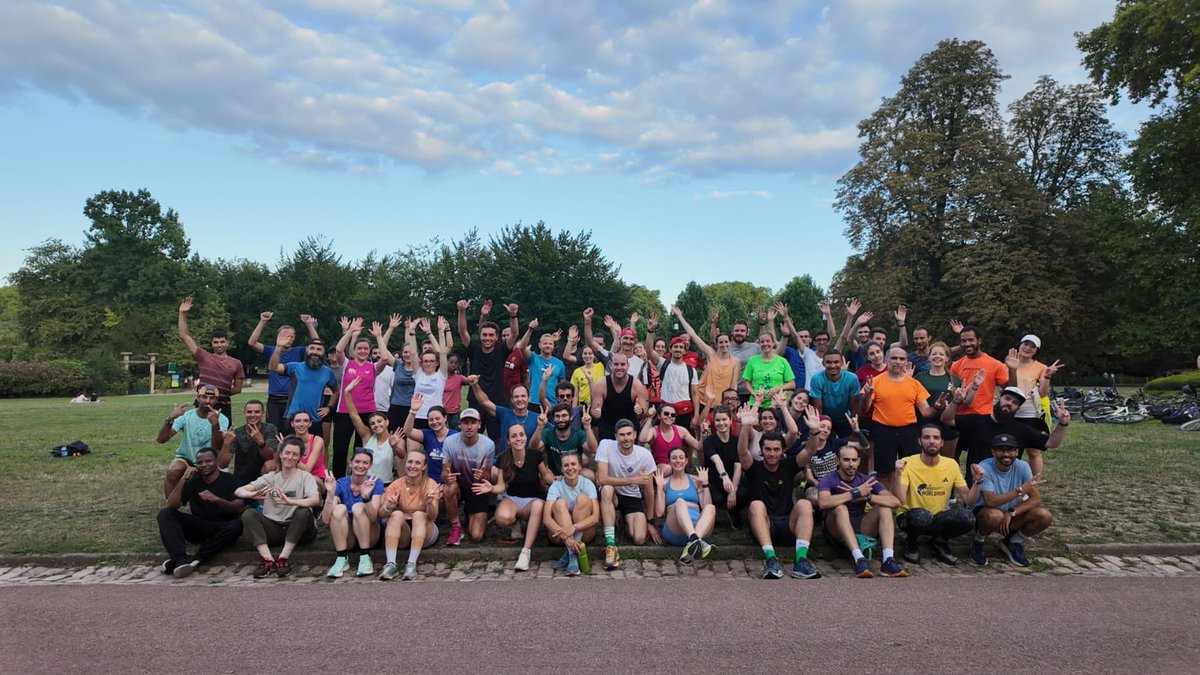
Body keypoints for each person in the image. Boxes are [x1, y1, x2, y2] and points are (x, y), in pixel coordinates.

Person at [736, 410, 821, 580]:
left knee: (805, 504)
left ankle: (801, 561)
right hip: (764, 526)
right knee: (756, 505)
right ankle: (771, 560)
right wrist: (746, 427)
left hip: (788, 524)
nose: (772, 453)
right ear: (760, 451)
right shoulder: (754, 468)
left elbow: (810, 450)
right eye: (767, 449)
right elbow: (742, 451)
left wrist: (814, 432)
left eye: (776, 450)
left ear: (782, 451)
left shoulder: (788, 465)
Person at [892, 424, 982, 565]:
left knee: (968, 518)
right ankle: (911, 542)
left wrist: (977, 482)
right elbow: (900, 500)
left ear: (942, 443)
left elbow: (969, 500)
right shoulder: (907, 462)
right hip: (909, 516)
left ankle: (939, 540)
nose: (931, 441)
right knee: (921, 516)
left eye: (936, 438)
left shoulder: (951, 464)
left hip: (938, 517)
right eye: (926, 437)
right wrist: (897, 475)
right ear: (919, 441)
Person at [941, 384, 1071, 481]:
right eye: (1007, 399)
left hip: (1009, 486)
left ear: (1018, 408)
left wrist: (1063, 423)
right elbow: (947, 419)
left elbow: (1051, 442)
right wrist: (956, 401)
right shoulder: (976, 421)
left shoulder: (1021, 429)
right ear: (999, 399)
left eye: (1015, 403)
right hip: (978, 485)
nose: (1009, 404)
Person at [236, 437, 321, 578]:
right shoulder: (270, 477)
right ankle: (267, 560)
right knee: (248, 514)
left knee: (303, 511)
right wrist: (252, 494)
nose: (290, 457)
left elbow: (315, 500)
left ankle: (283, 559)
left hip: (301, 530)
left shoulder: (306, 477)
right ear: (280, 454)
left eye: (295, 454)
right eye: (287, 453)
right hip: (274, 528)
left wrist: (292, 502)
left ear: (300, 457)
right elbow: (238, 491)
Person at [817, 444, 906, 578]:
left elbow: (895, 501)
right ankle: (859, 559)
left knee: (884, 508)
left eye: (854, 460)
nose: (851, 464)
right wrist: (855, 493)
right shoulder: (828, 479)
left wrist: (869, 496)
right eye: (846, 460)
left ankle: (888, 559)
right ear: (837, 461)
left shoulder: (865, 480)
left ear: (859, 461)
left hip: (861, 524)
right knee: (840, 508)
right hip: (836, 528)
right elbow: (823, 503)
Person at [157, 447, 244, 577]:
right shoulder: (193, 481)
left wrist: (217, 499)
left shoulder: (230, 480)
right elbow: (172, 505)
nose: (204, 465)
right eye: (200, 462)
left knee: (236, 525)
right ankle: (179, 558)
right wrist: (183, 480)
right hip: (200, 526)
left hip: (222, 527)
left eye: (208, 461)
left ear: (216, 461)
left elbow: (238, 507)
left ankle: (196, 559)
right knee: (165, 514)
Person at [857, 347, 943, 481]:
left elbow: (926, 412)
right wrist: (867, 394)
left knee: (911, 470)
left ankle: (908, 500)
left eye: (901, 359)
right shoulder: (875, 382)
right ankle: (885, 500)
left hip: (908, 431)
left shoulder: (914, 383)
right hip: (883, 430)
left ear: (906, 362)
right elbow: (863, 409)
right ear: (887, 360)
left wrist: (937, 407)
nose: (898, 362)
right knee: (884, 472)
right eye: (894, 358)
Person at [971, 434, 1053, 567]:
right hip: (985, 514)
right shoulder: (984, 467)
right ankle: (978, 540)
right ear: (993, 451)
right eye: (1001, 450)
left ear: (1016, 452)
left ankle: (1012, 542)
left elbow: (1036, 499)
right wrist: (1020, 490)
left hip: (1009, 514)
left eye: (1010, 450)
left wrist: (1011, 512)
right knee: (994, 515)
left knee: (1044, 515)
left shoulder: (1023, 466)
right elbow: (990, 501)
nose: (1006, 454)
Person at [595, 419, 658, 570]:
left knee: (639, 538)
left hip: (632, 496)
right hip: (612, 493)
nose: (626, 438)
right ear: (616, 436)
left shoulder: (644, 455)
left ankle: (623, 520)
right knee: (607, 489)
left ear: (635, 435)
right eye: (622, 435)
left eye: (629, 434)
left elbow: (649, 490)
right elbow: (601, 479)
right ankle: (610, 546)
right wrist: (632, 480)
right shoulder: (605, 445)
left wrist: (650, 521)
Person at [330, 317, 388, 478]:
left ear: (369, 351)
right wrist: (350, 331)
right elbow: (339, 350)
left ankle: (359, 479)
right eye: (359, 348)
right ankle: (339, 481)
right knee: (340, 449)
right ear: (354, 350)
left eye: (365, 349)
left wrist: (378, 336)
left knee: (362, 450)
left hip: (366, 414)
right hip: (344, 412)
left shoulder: (373, 367)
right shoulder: (346, 364)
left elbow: (384, 358)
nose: (362, 351)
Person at [401, 396, 463, 544]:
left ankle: (456, 526)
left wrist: (444, 484)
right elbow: (408, 431)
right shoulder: (427, 435)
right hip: (430, 484)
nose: (434, 422)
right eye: (431, 420)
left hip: (451, 483)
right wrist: (413, 411)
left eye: (438, 419)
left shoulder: (456, 436)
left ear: (445, 418)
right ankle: (423, 529)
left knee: (448, 489)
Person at [247, 311, 320, 432]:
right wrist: (262, 321)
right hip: (274, 399)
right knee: (273, 431)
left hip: (293, 399)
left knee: (292, 431)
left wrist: (309, 324)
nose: (288, 338)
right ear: (278, 336)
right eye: (285, 335)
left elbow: (317, 344)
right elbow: (252, 343)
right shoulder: (271, 350)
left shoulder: (299, 351)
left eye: (291, 336)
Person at [496, 424, 555, 571]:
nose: (518, 439)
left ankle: (525, 551)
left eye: (521, 435)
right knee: (502, 518)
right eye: (514, 436)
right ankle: (515, 523)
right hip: (513, 499)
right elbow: (501, 486)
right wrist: (490, 488)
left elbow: (545, 473)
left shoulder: (535, 455)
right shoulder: (503, 458)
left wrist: (553, 480)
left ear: (525, 437)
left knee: (538, 506)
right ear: (508, 440)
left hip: (533, 500)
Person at [458, 299, 519, 439]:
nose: (487, 338)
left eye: (491, 335)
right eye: (484, 335)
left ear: (496, 337)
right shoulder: (473, 349)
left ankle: (496, 462)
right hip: (475, 400)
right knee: (472, 437)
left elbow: (514, 334)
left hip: (497, 401)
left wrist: (513, 315)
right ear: (480, 336)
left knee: (497, 439)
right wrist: (462, 311)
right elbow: (462, 331)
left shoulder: (502, 350)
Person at [378, 451, 443, 580]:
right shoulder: (396, 485)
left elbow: (433, 515)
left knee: (419, 514)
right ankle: (391, 564)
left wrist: (430, 503)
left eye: (417, 463)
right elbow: (381, 514)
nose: (412, 466)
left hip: (426, 528)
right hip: (405, 532)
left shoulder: (431, 485)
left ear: (424, 467)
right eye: (410, 462)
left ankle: (411, 564)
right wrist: (388, 507)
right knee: (396, 514)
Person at [177, 296, 244, 422]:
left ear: (227, 343)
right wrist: (182, 313)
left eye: (222, 342)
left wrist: (217, 393)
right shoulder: (203, 356)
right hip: (201, 405)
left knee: (223, 438)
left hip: (223, 406)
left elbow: (238, 388)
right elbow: (184, 336)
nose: (219, 345)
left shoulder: (236, 363)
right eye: (216, 342)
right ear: (212, 344)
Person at [320, 448, 383, 578]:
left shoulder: (375, 482)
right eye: (357, 461)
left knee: (358, 507)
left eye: (365, 463)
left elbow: (373, 517)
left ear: (370, 465)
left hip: (370, 533)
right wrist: (330, 495)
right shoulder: (341, 483)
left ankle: (365, 557)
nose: (360, 465)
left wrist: (365, 497)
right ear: (350, 463)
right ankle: (341, 559)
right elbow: (326, 520)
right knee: (338, 509)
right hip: (348, 537)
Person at [157, 384, 228, 499]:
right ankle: (170, 506)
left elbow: (217, 445)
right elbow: (161, 440)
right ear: (197, 398)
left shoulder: (222, 419)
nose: (207, 401)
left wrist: (215, 425)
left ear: (216, 400)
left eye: (212, 398)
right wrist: (170, 419)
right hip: (187, 458)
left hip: (210, 460)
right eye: (204, 397)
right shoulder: (186, 416)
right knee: (173, 470)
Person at [441, 408, 501, 542]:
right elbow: (444, 472)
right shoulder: (449, 442)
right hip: (459, 486)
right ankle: (456, 526)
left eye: (473, 423)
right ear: (459, 424)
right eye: (465, 422)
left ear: (479, 425)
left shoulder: (488, 444)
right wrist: (447, 477)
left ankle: (478, 511)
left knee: (476, 536)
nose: (469, 426)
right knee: (449, 487)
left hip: (476, 487)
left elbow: (487, 475)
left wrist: (483, 476)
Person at [672, 304, 741, 417]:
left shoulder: (735, 361)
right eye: (721, 342)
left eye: (726, 342)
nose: (724, 345)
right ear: (717, 344)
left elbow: (734, 386)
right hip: (705, 401)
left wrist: (733, 404)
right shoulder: (711, 354)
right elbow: (693, 335)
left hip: (723, 404)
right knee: (702, 429)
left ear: (730, 343)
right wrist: (680, 316)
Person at [654, 448, 717, 564]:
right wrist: (658, 487)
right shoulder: (664, 482)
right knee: (679, 502)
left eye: (681, 458)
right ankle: (695, 540)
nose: (678, 461)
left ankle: (694, 542)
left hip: (700, 528)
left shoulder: (695, 480)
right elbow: (658, 512)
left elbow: (705, 505)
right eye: (674, 458)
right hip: (675, 529)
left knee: (711, 507)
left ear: (686, 460)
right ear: (669, 461)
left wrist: (705, 484)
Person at [543, 452, 599, 576]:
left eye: (573, 464)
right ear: (562, 469)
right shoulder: (556, 486)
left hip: (584, 533)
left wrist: (573, 528)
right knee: (559, 503)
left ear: (579, 467)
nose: (570, 468)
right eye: (566, 465)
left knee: (582, 499)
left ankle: (570, 555)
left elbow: (596, 517)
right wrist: (567, 538)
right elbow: (546, 519)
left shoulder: (587, 484)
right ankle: (572, 554)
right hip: (560, 535)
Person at [267, 333, 338, 429]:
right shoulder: (295, 367)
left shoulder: (328, 372)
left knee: (316, 444)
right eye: (312, 348)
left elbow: (336, 392)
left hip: (314, 420)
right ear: (307, 350)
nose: (315, 352)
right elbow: (273, 367)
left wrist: (328, 408)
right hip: (293, 418)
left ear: (323, 353)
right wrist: (279, 347)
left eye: (319, 349)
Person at [343, 377, 404, 486]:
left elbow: (402, 455)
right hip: (365, 482)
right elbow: (354, 416)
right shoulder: (367, 436)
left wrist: (394, 446)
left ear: (387, 422)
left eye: (379, 421)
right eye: (373, 423)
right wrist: (347, 393)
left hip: (385, 484)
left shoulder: (394, 438)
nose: (376, 425)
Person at [913, 341, 966, 461]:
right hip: (925, 423)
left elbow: (959, 402)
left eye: (941, 354)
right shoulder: (919, 378)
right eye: (934, 354)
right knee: (926, 460)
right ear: (929, 358)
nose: (937, 356)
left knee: (947, 461)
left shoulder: (954, 380)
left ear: (947, 358)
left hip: (948, 425)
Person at [949, 326, 1012, 418]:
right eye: (964, 341)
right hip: (960, 415)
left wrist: (1013, 370)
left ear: (979, 341)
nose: (967, 344)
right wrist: (953, 392)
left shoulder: (995, 364)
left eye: (971, 340)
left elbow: (1009, 389)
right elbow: (950, 386)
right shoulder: (955, 365)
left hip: (984, 415)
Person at [468, 376, 538, 455]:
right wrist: (475, 385)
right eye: (516, 396)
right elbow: (484, 402)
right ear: (512, 400)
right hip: (503, 462)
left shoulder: (537, 418)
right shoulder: (504, 413)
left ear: (529, 398)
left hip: (525, 463)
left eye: (523, 396)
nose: (519, 399)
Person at [371, 319, 418, 432]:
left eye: (409, 352)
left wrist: (411, 331)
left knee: (409, 436)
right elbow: (384, 347)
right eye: (405, 352)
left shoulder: (419, 368)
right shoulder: (397, 365)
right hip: (395, 406)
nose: (407, 354)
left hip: (412, 408)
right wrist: (390, 328)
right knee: (394, 436)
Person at [589, 352, 648, 441]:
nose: (619, 368)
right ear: (610, 365)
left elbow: (643, 415)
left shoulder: (637, 385)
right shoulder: (601, 384)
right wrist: (595, 413)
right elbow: (594, 413)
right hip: (607, 429)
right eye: (616, 364)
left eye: (622, 364)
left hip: (629, 430)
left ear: (628, 366)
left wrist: (640, 411)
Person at [1012, 335, 1064, 434]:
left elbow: (1042, 394)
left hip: (1030, 412)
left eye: (1032, 346)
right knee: (1011, 446)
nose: (1027, 348)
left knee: (1033, 448)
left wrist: (1047, 376)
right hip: (1009, 411)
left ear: (1036, 351)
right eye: (1025, 344)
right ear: (1019, 345)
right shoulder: (1007, 365)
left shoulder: (1041, 367)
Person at [219, 399, 279, 484]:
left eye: (257, 412)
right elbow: (222, 464)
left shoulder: (270, 429)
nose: (253, 415)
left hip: (263, 475)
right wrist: (226, 444)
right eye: (249, 412)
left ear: (263, 414)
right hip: (242, 476)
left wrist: (261, 443)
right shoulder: (237, 433)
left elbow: (270, 458)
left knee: (270, 465)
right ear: (244, 413)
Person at [702, 406, 743, 529]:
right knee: (718, 498)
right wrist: (724, 477)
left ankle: (734, 512)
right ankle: (710, 518)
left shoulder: (736, 441)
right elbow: (717, 460)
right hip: (715, 482)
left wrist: (733, 490)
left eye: (724, 419)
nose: (721, 423)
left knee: (743, 494)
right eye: (718, 420)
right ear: (714, 422)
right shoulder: (709, 441)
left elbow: (738, 466)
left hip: (732, 482)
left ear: (731, 421)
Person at [406, 316, 450, 429]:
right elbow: (413, 353)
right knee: (413, 447)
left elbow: (443, 353)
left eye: (431, 361)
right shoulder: (418, 373)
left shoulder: (441, 375)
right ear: (422, 362)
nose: (428, 363)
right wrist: (411, 332)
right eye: (425, 361)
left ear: (436, 363)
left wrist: (441, 331)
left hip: (435, 417)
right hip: (418, 415)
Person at [808, 350, 861, 438]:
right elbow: (818, 407)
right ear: (823, 363)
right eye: (828, 362)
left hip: (845, 418)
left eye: (836, 362)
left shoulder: (852, 378)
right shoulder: (816, 379)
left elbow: (854, 405)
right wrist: (820, 425)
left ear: (841, 363)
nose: (832, 366)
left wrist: (855, 425)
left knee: (848, 444)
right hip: (825, 417)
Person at [538, 402, 597, 478]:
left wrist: (587, 426)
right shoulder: (548, 432)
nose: (561, 419)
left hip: (575, 474)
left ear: (571, 417)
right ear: (553, 419)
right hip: (554, 475)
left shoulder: (578, 433)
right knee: (542, 478)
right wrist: (540, 427)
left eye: (564, 416)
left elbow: (593, 449)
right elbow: (534, 447)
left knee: (590, 475)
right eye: (557, 416)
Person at [639, 404, 702, 472]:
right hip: (660, 468)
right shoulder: (654, 431)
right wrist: (650, 418)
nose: (669, 416)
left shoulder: (681, 430)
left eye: (673, 415)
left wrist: (703, 434)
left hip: (677, 467)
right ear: (659, 416)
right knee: (668, 468)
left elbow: (699, 447)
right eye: (666, 414)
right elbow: (642, 440)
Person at [742, 333, 795, 406]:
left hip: (776, 404)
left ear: (773, 343)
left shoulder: (782, 361)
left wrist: (778, 388)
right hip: (756, 404)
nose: (765, 344)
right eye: (762, 342)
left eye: (768, 341)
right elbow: (747, 382)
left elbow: (792, 384)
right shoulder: (752, 360)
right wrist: (754, 394)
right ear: (759, 344)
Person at [285, 411, 328, 488]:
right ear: (292, 424)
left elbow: (307, 470)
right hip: (294, 478)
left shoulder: (317, 440)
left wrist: (289, 455)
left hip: (316, 478)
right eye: (298, 421)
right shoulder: (288, 441)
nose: (301, 424)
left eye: (306, 421)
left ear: (310, 424)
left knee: (311, 481)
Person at [568, 345, 605, 409]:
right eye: (585, 353)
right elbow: (575, 395)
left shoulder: (601, 366)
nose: (587, 356)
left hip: (599, 405)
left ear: (594, 355)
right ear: (582, 355)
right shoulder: (577, 371)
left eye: (590, 353)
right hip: (582, 406)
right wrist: (574, 411)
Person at [442, 352, 467, 429]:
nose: (453, 365)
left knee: (454, 433)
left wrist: (472, 379)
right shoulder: (440, 377)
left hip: (454, 412)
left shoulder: (459, 378)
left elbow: (469, 381)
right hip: (441, 411)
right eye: (451, 362)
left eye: (456, 363)